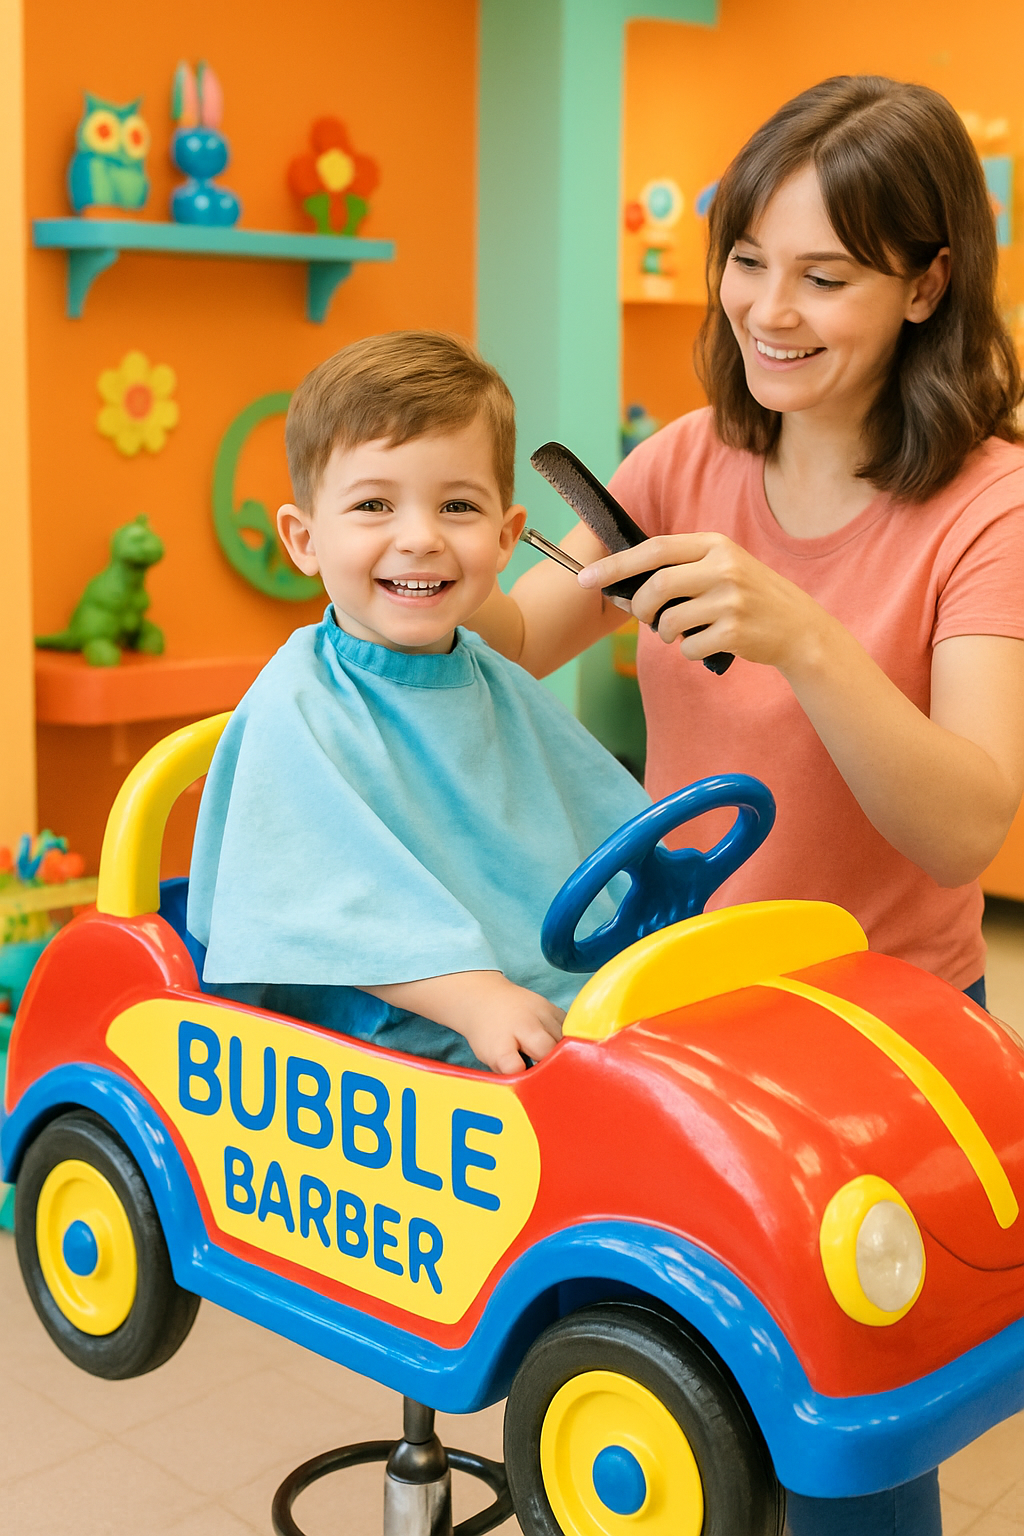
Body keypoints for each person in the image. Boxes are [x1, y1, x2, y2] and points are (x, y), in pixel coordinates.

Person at [467, 76, 1024, 1535]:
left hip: (874, 1055)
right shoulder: (681, 463)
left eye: (826, 276)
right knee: (652, 1432)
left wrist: (809, 638)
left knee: (846, 1460)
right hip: (671, 1036)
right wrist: (421, 558)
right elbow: (519, 649)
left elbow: (968, 823)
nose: (770, 309)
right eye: (748, 260)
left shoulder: (990, 507)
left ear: (927, 283)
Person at [186, 331, 649, 1076]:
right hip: (383, 1034)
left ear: (506, 540)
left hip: (543, 996)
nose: (419, 538)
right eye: (373, 504)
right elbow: (323, 897)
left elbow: (600, 837)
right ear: (304, 540)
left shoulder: (494, 681)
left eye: (457, 507)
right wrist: (473, 998)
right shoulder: (300, 702)